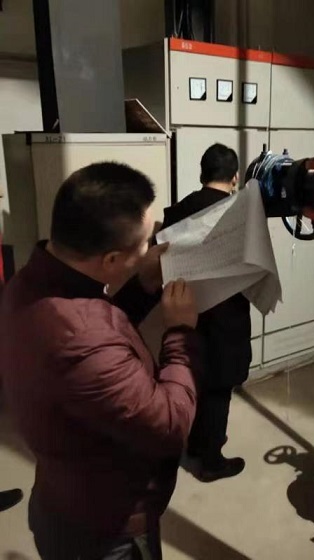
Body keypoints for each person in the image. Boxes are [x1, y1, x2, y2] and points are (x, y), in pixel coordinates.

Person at [0, 162, 202, 560]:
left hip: (64, 497)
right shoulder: (81, 342)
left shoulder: (31, 282)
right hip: (106, 533)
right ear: (110, 260)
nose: (151, 249)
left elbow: (99, 320)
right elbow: (170, 425)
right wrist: (180, 332)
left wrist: (143, 285)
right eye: (145, 243)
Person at [162, 143, 251, 483]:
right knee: (219, 388)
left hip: (186, 310)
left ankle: (197, 444)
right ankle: (211, 462)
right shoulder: (239, 214)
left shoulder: (178, 212)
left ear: (202, 173)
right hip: (226, 316)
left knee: (193, 379)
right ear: (235, 177)